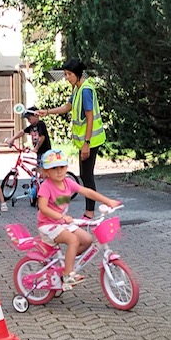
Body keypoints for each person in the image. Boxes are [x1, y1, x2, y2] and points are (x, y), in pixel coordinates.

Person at [37, 149, 120, 289]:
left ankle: (65, 262)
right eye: (54, 168)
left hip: (63, 223)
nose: (59, 171)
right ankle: (67, 274)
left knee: (87, 240)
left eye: (62, 167)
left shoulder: (68, 183)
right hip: (48, 225)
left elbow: (87, 191)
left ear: (67, 168)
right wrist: (61, 217)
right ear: (46, 172)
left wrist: (107, 201)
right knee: (73, 240)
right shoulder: (46, 187)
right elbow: (43, 208)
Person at [38, 58, 106, 219]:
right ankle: (89, 211)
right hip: (85, 141)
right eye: (65, 74)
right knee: (85, 175)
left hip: (91, 140)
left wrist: (86, 144)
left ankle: (90, 213)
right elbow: (67, 107)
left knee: (87, 176)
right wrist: (47, 112)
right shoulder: (77, 88)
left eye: (68, 74)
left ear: (77, 74)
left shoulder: (86, 90)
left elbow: (89, 118)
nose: (66, 77)